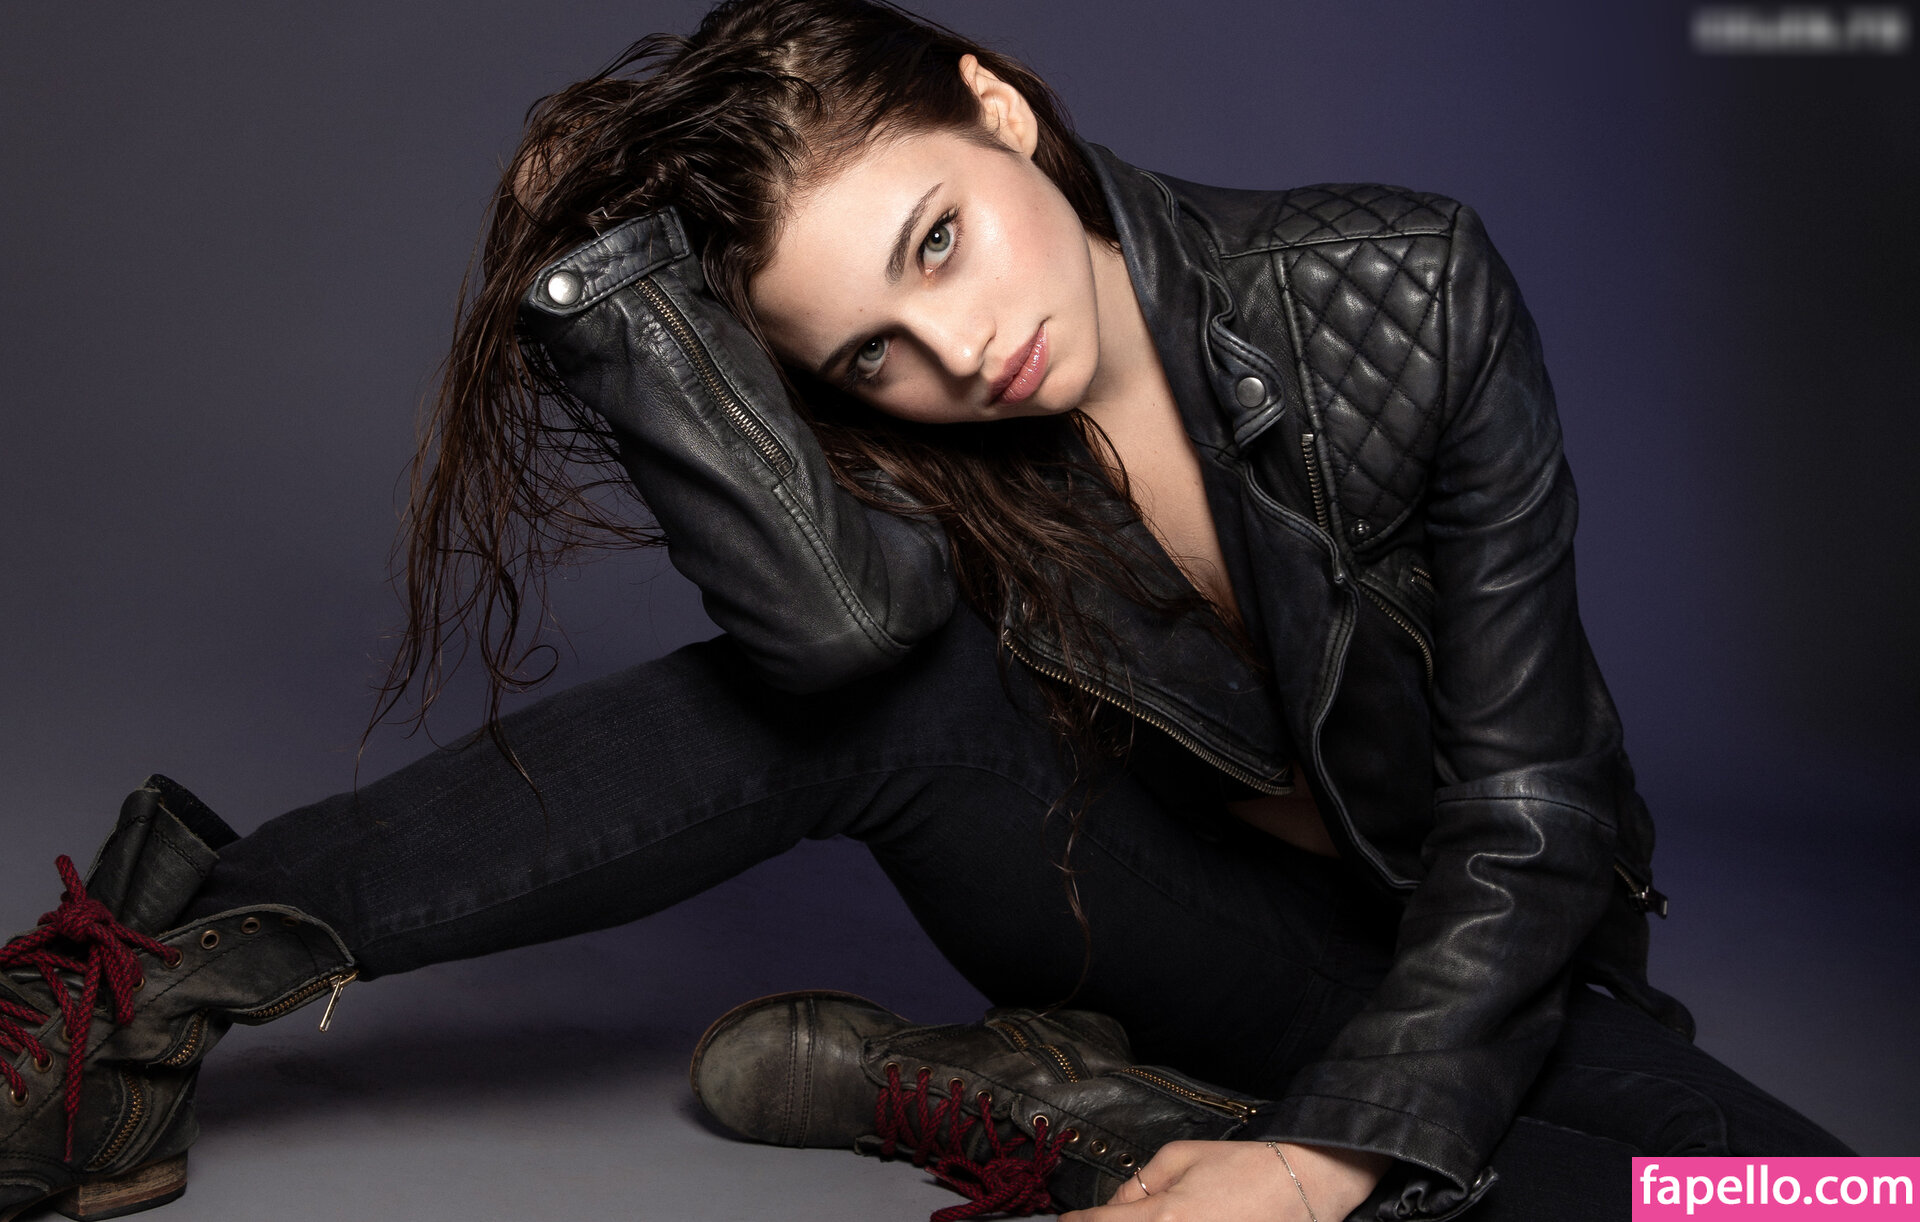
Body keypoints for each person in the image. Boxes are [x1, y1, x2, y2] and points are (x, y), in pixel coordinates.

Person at [0, 1, 1850, 1220]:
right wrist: (621, 299)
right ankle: (135, 994)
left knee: (1814, 1199)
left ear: (1000, 106)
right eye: (871, 348)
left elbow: (1530, 813)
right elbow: (831, 648)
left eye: (939, 239)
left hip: (1483, 952)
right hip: (1171, 927)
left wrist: (1309, 1162)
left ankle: (1093, 1121)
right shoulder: (912, 452)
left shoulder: (1400, 289)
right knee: (878, 689)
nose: (958, 353)